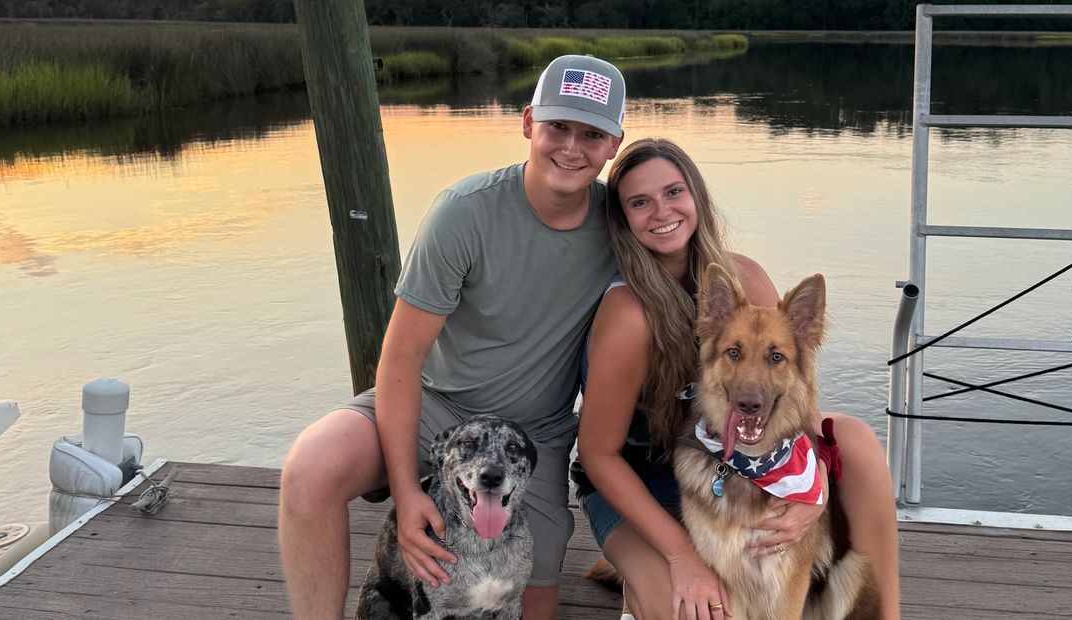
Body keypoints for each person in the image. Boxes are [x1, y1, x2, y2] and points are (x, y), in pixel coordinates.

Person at [277, 54, 626, 619]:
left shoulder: (622, 224)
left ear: (614, 144)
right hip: (437, 405)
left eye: (592, 134)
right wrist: (407, 491)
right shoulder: (463, 214)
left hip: (534, 432)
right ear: (527, 122)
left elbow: (698, 257)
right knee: (309, 469)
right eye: (557, 126)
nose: (571, 147)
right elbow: (400, 356)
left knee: (534, 586)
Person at [574, 138, 901, 620]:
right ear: (623, 220)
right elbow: (598, 457)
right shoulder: (627, 313)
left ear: (697, 198)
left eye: (673, 192)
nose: (661, 211)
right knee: (698, 608)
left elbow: (797, 393)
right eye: (639, 202)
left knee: (854, 438)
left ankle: (886, 614)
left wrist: (816, 489)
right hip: (640, 480)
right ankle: (639, 585)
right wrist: (682, 557)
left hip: (724, 463)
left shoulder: (743, 275)